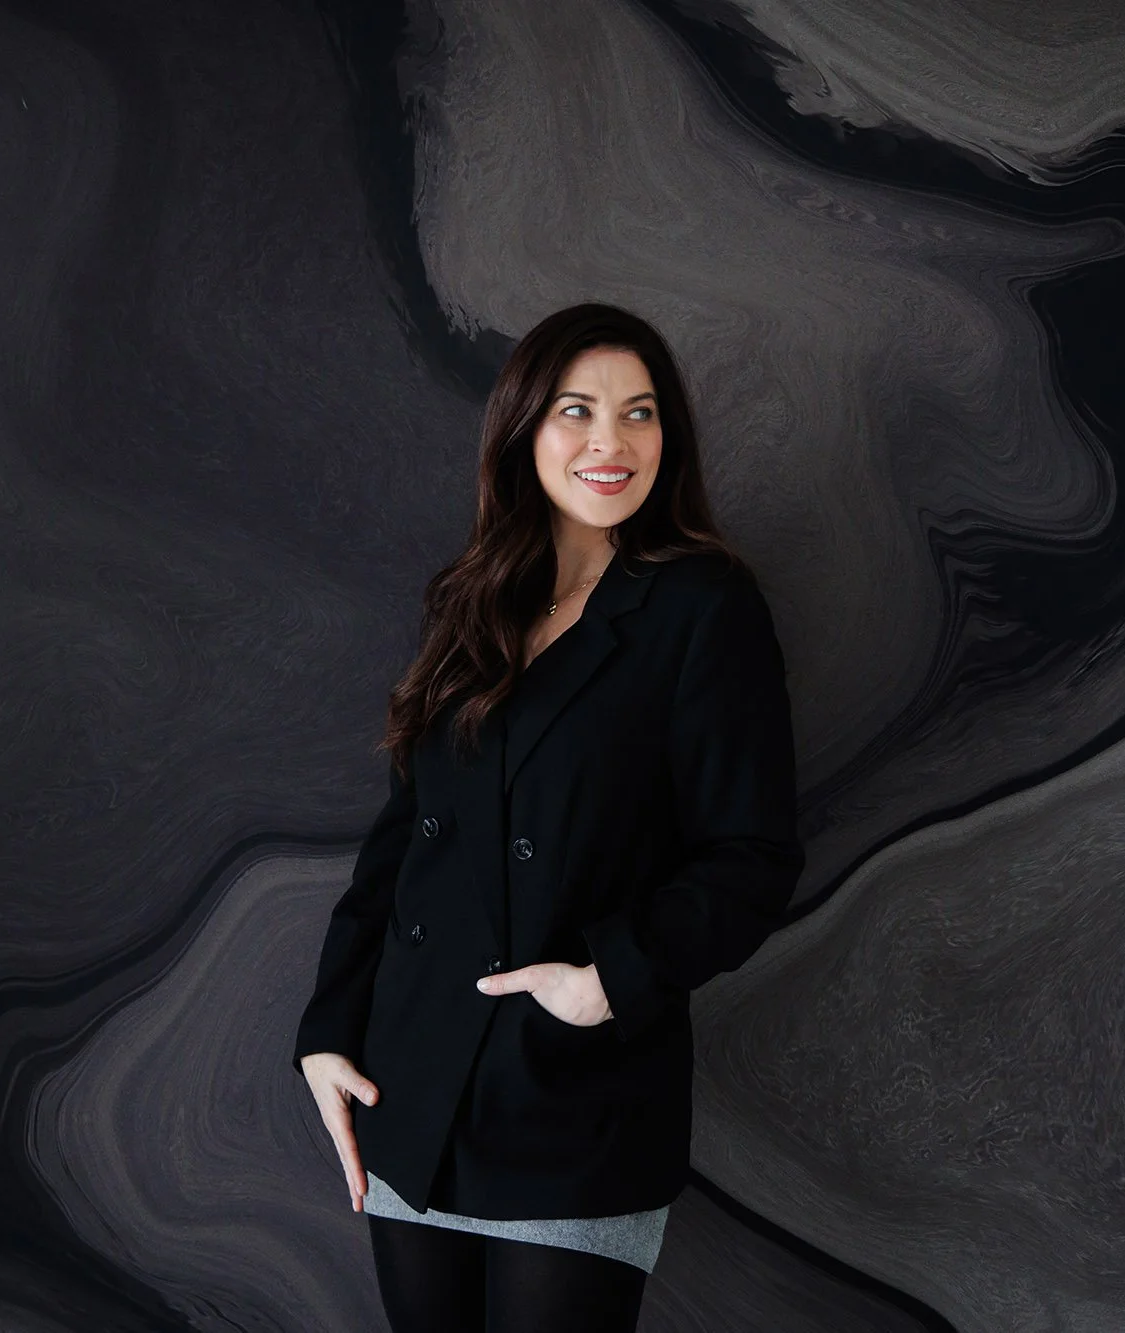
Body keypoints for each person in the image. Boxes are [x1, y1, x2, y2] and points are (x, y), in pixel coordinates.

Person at [291, 301, 804, 1332]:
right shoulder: (471, 602)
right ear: (524, 428)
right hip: (413, 1085)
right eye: (576, 409)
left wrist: (608, 979)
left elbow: (751, 854)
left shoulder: (702, 607)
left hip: (573, 1093)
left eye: (640, 412)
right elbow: (402, 844)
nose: (610, 442)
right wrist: (327, 1030)